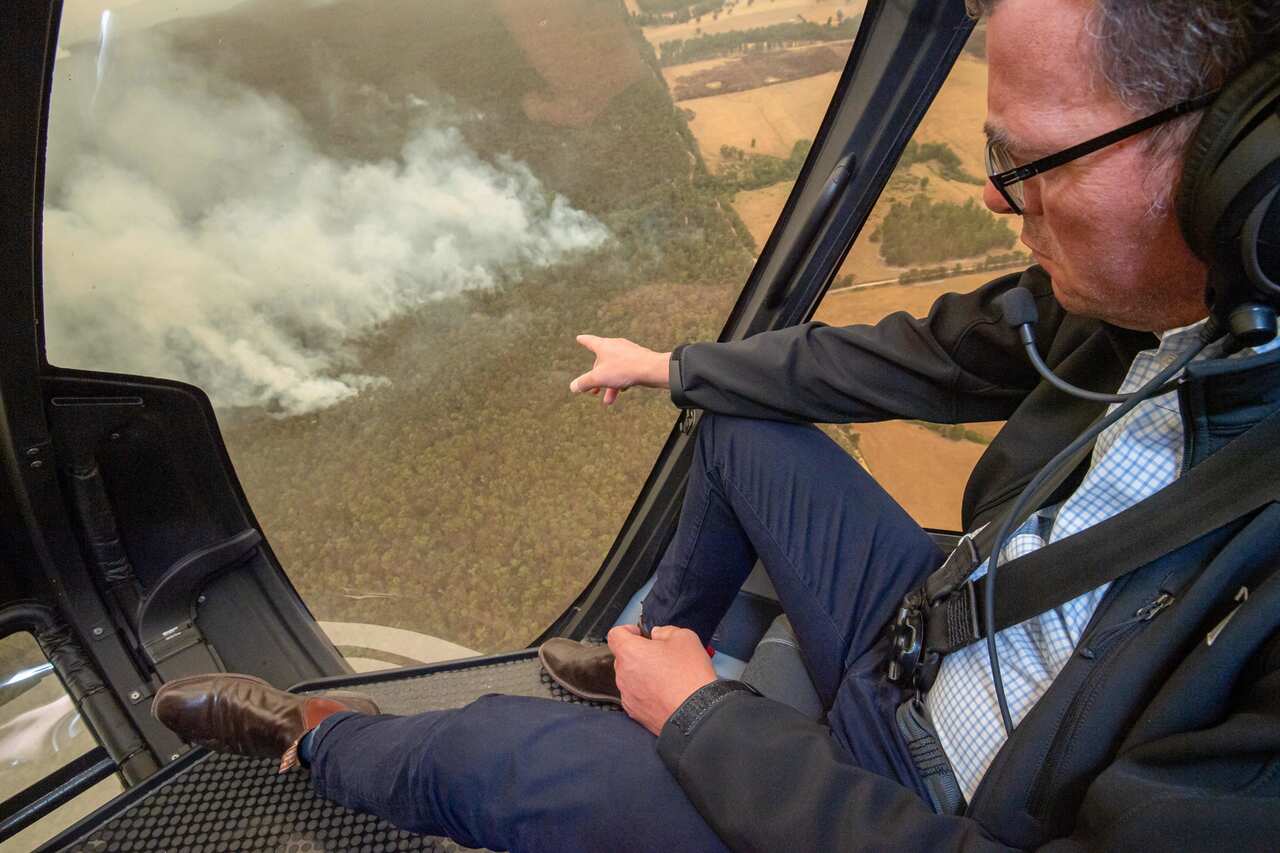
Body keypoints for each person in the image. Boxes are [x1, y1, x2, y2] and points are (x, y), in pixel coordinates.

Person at [153, 1, 1280, 850]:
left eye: (1026, 159)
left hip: (932, 799)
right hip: (933, 637)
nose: (994, 199)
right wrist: (677, 367)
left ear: (1236, 170)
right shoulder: (1164, 308)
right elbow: (924, 352)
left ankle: (314, 734)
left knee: (492, 752)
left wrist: (702, 723)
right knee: (742, 422)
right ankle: (632, 658)